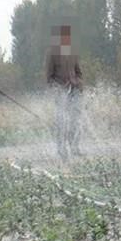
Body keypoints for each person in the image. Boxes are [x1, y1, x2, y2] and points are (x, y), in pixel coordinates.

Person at [45, 25, 83, 160]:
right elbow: (49, 77)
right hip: (60, 91)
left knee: (76, 120)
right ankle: (61, 149)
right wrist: (56, 90)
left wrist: (78, 82)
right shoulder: (52, 53)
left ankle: (74, 147)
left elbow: (79, 72)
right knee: (61, 121)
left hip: (75, 90)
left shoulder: (73, 51)